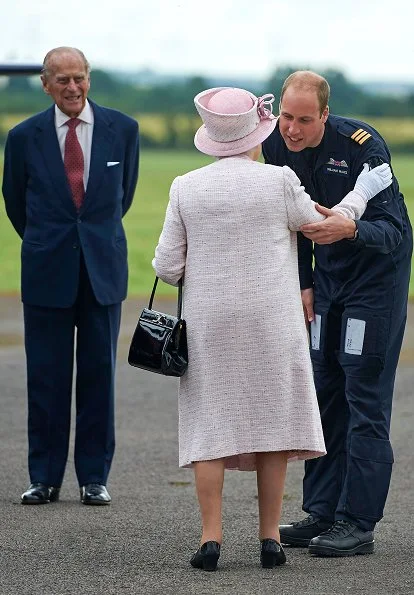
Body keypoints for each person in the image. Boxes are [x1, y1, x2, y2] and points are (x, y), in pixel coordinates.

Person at [151, 86, 392, 570]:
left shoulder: (184, 186)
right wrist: (361, 195)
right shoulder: (279, 179)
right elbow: (318, 226)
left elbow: (166, 266)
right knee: (273, 427)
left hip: (210, 325)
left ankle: (210, 541)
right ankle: (269, 540)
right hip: (271, 323)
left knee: (209, 431)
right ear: (257, 133)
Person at [262, 70, 413, 557]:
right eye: (287, 116)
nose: (293, 129)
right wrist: (304, 283)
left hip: (374, 280)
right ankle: (322, 513)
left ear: (325, 115)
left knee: (362, 393)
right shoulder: (276, 145)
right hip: (326, 283)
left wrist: (350, 229)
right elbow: (290, 224)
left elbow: (393, 231)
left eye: (305, 120)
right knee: (323, 388)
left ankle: (357, 523)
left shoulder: (364, 148)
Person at [2, 47, 139, 506]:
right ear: (45, 84)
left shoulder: (124, 130)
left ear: (89, 78)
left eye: (79, 78)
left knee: (99, 376)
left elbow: (123, 198)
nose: (73, 88)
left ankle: (94, 477)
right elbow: (16, 206)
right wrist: (49, 242)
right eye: (62, 80)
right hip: (46, 272)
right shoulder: (22, 137)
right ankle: (43, 477)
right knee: (46, 378)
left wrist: (88, 240)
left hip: (102, 272)